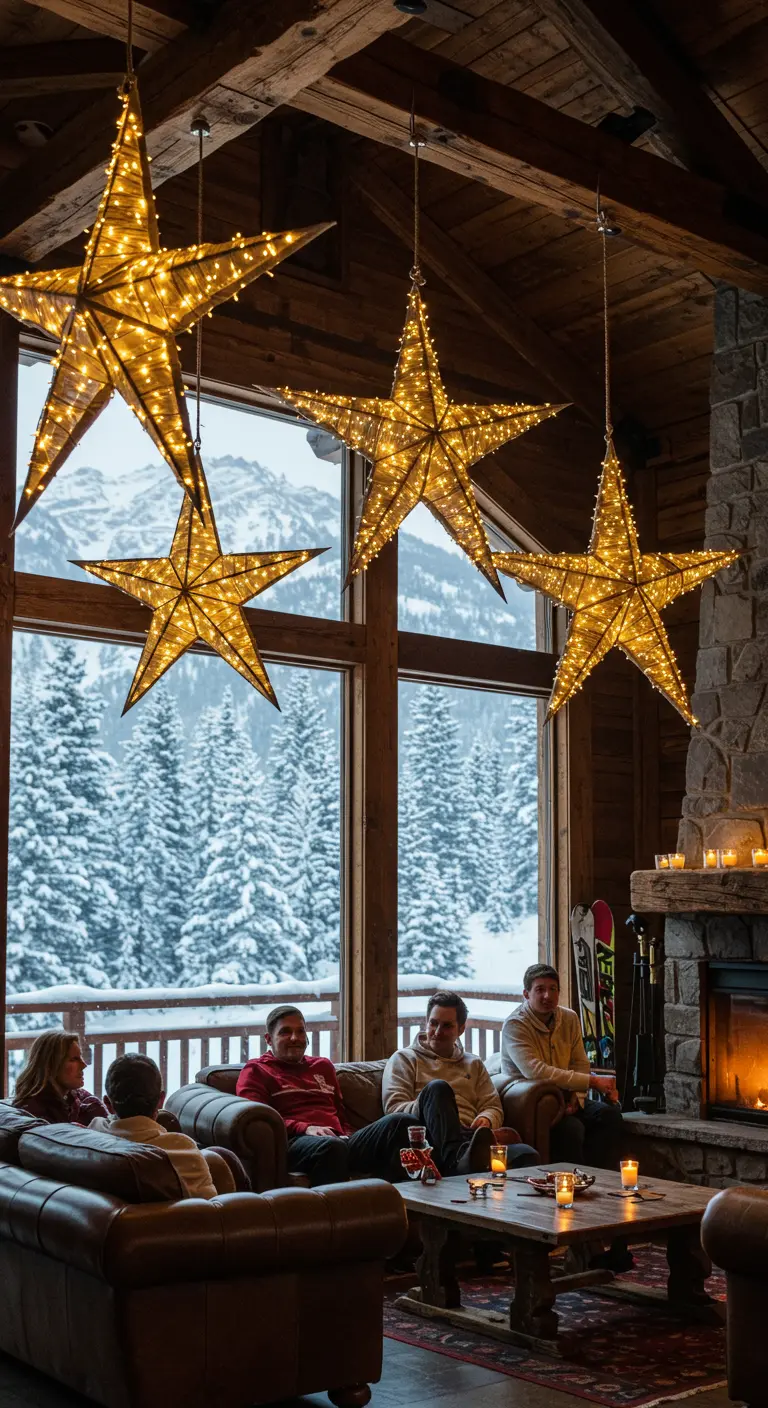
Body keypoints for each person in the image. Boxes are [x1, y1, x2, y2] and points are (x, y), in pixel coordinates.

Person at [237, 1005, 419, 1187]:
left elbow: (339, 1112)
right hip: (294, 1142)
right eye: (285, 1032)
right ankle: (336, 1213)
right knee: (332, 1147)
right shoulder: (256, 1070)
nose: (295, 1038)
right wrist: (305, 1128)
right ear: (269, 1039)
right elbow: (259, 1119)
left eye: (300, 1031)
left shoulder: (322, 1066)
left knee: (401, 1122)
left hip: (338, 1139)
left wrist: (351, 1135)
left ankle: (398, 1202)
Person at [383, 991, 539, 1175]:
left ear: (461, 1029)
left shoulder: (473, 1063)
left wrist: (486, 1119)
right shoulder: (405, 1059)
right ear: (426, 1022)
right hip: (429, 1139)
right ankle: (456, 1161)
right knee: (438, 1088)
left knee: (527, 1154)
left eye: (447, 1026)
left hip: (470, 1137)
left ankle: (470, 1161)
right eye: (433, 1023)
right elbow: (393, 1109)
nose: (438, 1032)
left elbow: (493, 1106)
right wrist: (428, 1105)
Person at [500, 963, 622, 1169]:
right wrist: (591, 1082)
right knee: (572, 1129)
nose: (547, 996)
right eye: (540, 989)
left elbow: (579, 1061)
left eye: (553, 989)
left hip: (567, 1094)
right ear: (526, 994)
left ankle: (597, 1177)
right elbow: (535, 1071)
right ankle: (572, 1182)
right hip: (534, 1103)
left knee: (610, 1116)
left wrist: (579, 1095)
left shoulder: (569, 1017)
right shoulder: (515, 1025)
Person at [90, 1053, 219, 1200]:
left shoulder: (92, 1134)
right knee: (220, 1159)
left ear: (108, 1104)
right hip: (172, 1222)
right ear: (161, 1100)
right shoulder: (181, 1149)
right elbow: (210, 1210)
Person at [13, 1029, 108, 1125]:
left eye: (80, 1057)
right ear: (51, 1065)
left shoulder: (82, 1099)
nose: (84, 1065)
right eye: (74, 1059)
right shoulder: (34, 1113)